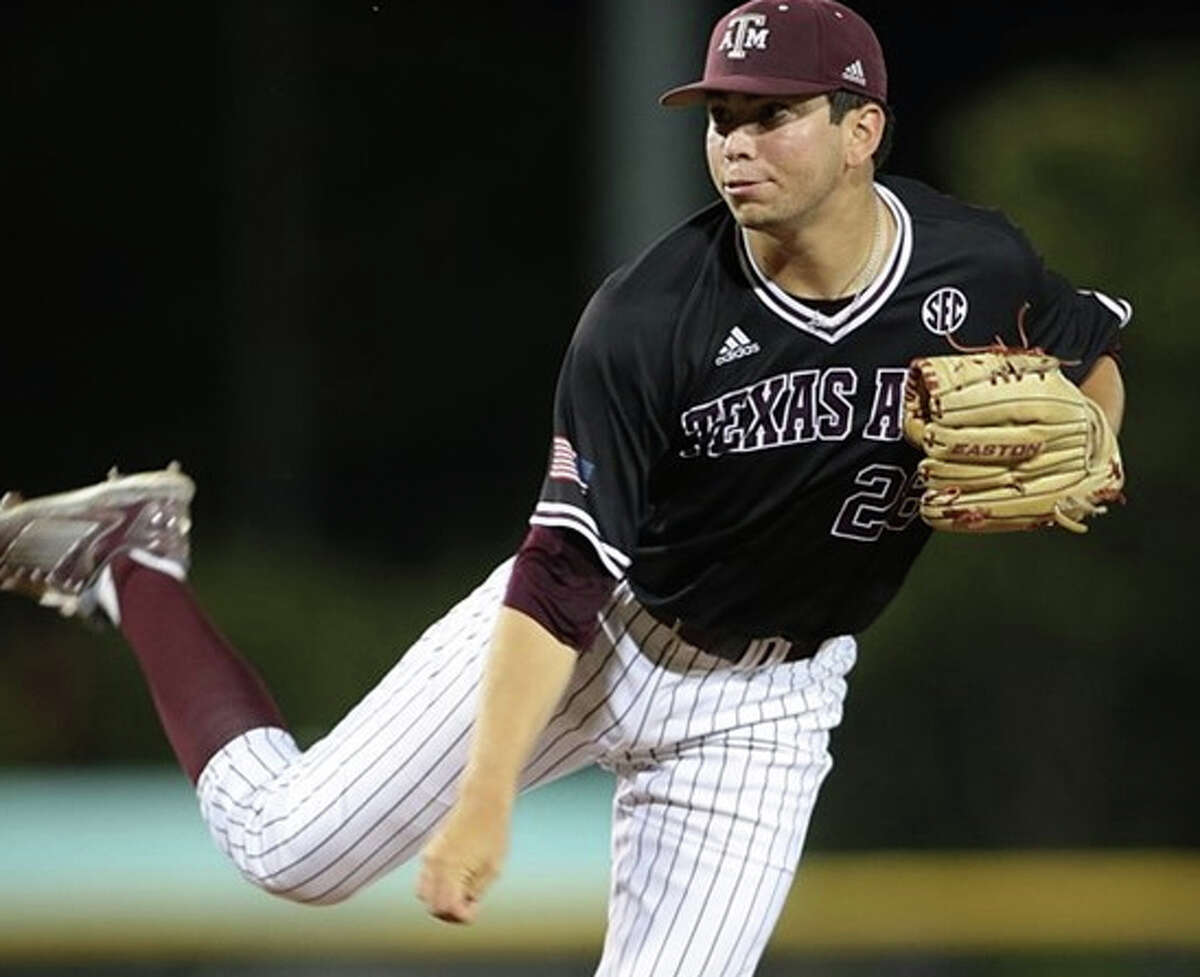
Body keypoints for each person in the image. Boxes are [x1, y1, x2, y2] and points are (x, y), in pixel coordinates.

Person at [0, 1, 1129, 974]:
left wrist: (1098, 435)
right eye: (722, 119)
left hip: (766, 704)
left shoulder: (972, 264)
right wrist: (486, 799)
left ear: (861, 130)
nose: (737, 145)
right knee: (286, 847)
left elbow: (1090, 358)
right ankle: (135, 557)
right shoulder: (648, 318)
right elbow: (560, 569)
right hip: (603, 629)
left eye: (772, 115)